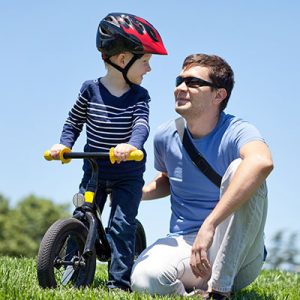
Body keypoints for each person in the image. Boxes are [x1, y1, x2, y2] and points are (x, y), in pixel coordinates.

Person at [131, 54, 273, 299]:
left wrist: (210, 224)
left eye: (193, 82)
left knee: (243, 167)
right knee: (144, 279)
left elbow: (262, 162)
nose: (180, 88)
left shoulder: (237, 130)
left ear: (219, 95)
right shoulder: (166, 134)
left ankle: (220, 290)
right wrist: (134, 194)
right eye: (179, 80)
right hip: (187, 245)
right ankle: (198, 295)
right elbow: (168, 179)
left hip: (239, 252)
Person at [48, 12, 167, 291]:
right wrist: (64, 145)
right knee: (81, 216)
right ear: (123, 59)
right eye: (146, 62)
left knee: (121, 226)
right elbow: (74, 120)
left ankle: (118, 283)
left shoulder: (140, 96)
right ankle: (73, 275)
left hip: (127, 171)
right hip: (95, 169)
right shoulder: (90, 90)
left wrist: (132, 146)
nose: (148, 69)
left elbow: (141, 124)